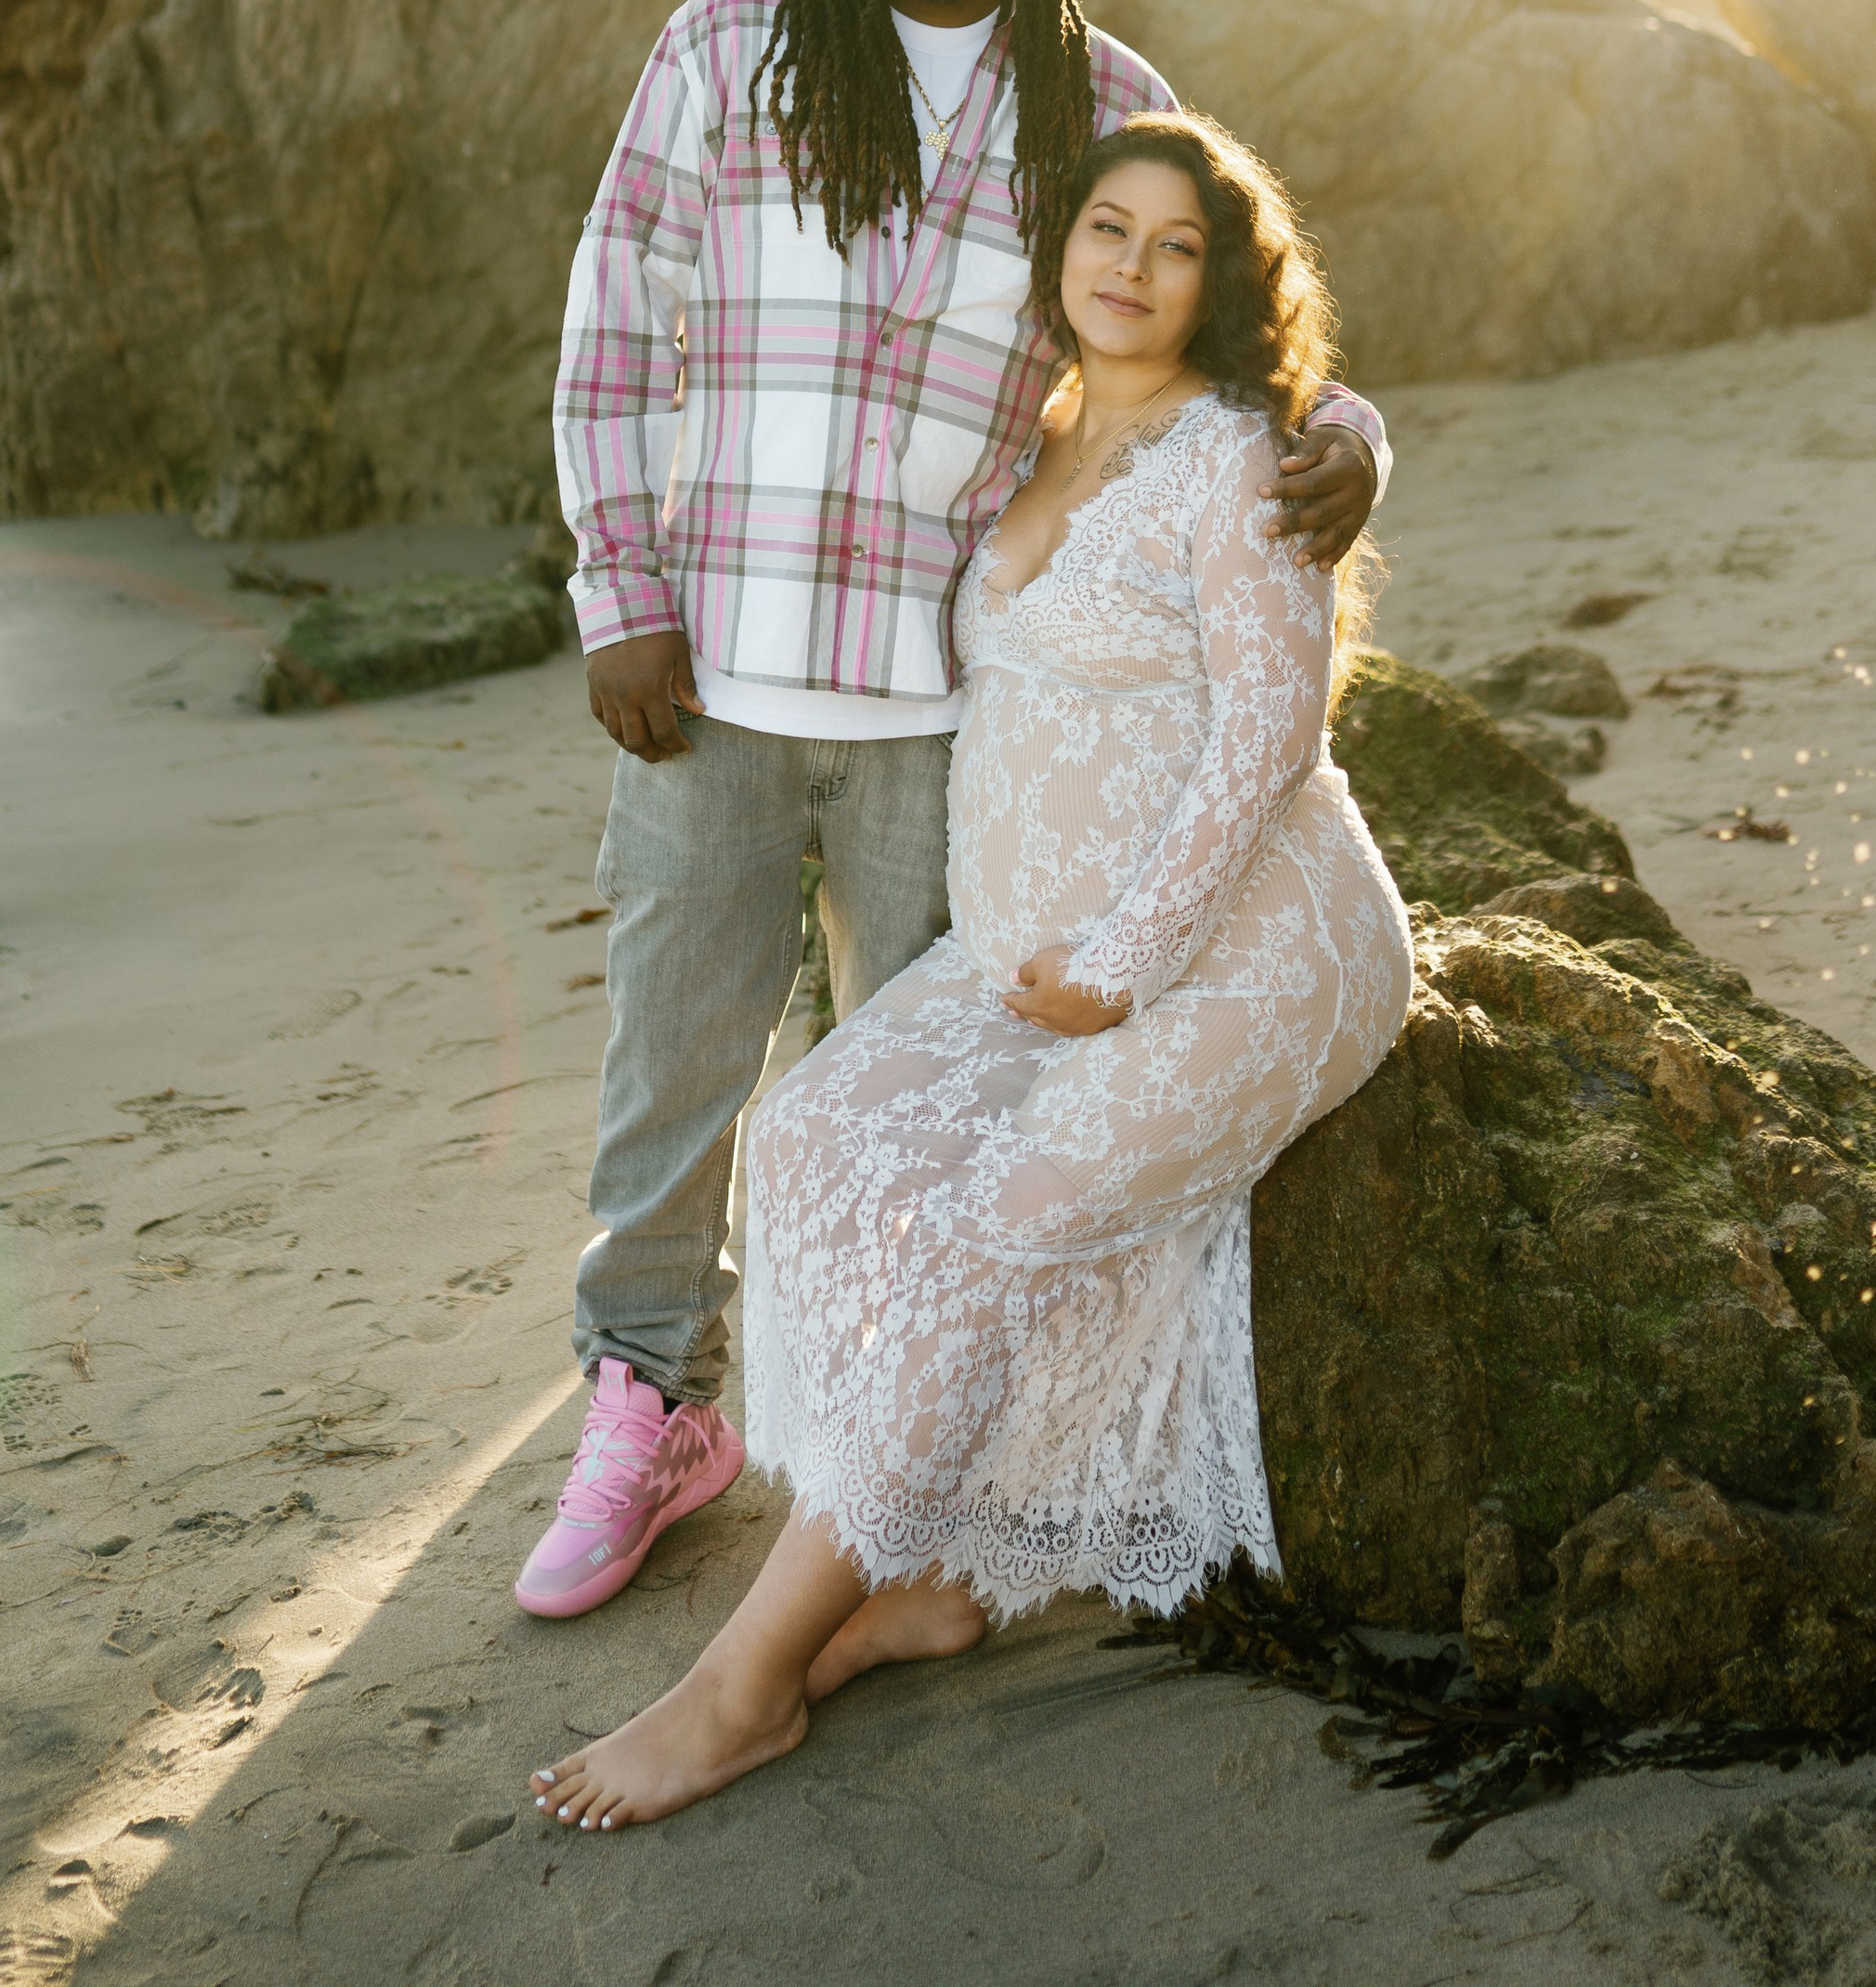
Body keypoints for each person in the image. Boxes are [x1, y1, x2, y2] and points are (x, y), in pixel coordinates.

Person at [515, 0, 1388, 1624]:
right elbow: (609, 322)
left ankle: (863, 1459)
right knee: (671, 1075)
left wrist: (1359, 437)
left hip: (946, 728)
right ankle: (647, 1407)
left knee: (895, 1110)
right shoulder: (726, 44)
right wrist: (617, 594)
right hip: (715, 682)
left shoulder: (1097, 89)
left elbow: (1221, 299)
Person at [532, 109, 1412, 1827]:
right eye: (1108, 228)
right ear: (1060, 245)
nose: (1133, 266)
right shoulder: (1039, 425)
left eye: (1177, 245)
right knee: (815, 1143)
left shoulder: (1247, 456)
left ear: (1223, 281)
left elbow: (1272, 736)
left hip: (1248, 941)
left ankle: (748, 1682)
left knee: (1004, 1215)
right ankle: (919, 1580)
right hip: (1030, 943)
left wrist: (1129, 960)